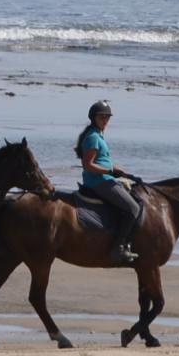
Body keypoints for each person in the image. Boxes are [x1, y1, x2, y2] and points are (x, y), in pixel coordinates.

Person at [75, 101, 142, 264]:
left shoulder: (98, 135)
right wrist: (110, 171)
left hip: (106, 178)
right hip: (98, 181)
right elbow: (87, 165)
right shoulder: (92, 137)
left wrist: (123, 172)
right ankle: (118, 248)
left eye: (107, 117)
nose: (105, 119)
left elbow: (104, 161)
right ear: (94, 118)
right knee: (133, 208)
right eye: (101, 117)